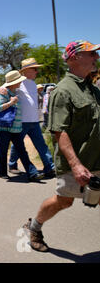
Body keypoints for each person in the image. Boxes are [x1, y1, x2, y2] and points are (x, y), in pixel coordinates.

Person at [22, 40, 100, 252]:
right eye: (92, 53)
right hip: (77, 161)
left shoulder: (92, 89)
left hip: (97, 158)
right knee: (64, 201)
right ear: (75, 58)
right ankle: (35, 227)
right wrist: (75, 165)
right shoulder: (63, 91)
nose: (96, 57)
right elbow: (59, 131)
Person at [0, 58, 54, 178]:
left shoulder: (33, 84)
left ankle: (50, 167)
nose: (37, 72)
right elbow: (0, 89)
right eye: (35, 69)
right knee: (18, 145)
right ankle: (12, 165)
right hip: (21, 121)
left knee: (41, 144)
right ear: (26, 70)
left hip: (34, 121)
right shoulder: (18, 82)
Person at [0, 70, 44, 181]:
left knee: (21, 150)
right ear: (13, 83)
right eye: (18, 81)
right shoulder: (5, 93)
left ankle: (32, 172)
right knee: (3, 150)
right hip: (3, 128)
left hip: (15, 128)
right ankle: (2, 173)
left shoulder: (15, 92)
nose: (20, 83)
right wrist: (11, 103)